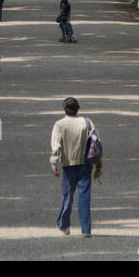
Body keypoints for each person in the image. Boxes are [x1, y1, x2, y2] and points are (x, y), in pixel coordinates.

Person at [50, 97, 102, 238]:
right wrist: (98, 163)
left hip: (68, 165)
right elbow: (96, 142)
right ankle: (86, 229)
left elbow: (56, 146)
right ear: (78, 109)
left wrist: (54, 162)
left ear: (64, 109)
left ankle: (64, 225)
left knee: (67, 196)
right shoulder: (87, 123)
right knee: (84, 197)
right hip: (85, 164)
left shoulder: (59, 125)